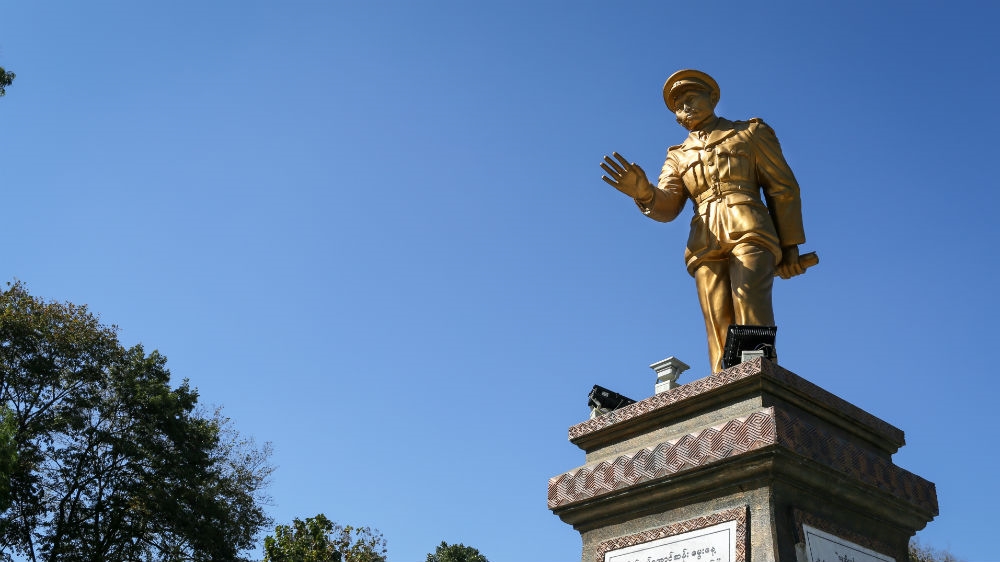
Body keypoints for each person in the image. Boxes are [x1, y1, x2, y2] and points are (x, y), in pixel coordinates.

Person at [601, 69, 808, 373]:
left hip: (749, 226)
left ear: (712, 97)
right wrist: (644, 193)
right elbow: (669, 205)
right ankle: (723, 382)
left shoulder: (749, 134)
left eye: (690, 97)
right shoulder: (677, 156)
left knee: (749, 300)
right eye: (677, 105)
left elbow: (783, 188)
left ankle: (757, 372)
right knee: (716, 316)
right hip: (704, 238)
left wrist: (790, 248)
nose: (683, 106)